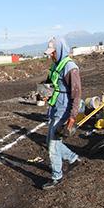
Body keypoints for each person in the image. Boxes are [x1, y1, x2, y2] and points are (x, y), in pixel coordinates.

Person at [41, 37, 82, 190]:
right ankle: (73, 158)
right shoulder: (56, 65)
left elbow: (76, 94)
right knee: (50, 141)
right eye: (50, 53)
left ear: (60, 50)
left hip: (64, 110)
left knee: (53, 144)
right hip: (55, 107)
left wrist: (72, 117)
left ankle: (56, 176)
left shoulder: (70, 68)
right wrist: (46, 93)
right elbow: (50, 84)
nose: (50, 55)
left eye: (53, 53)